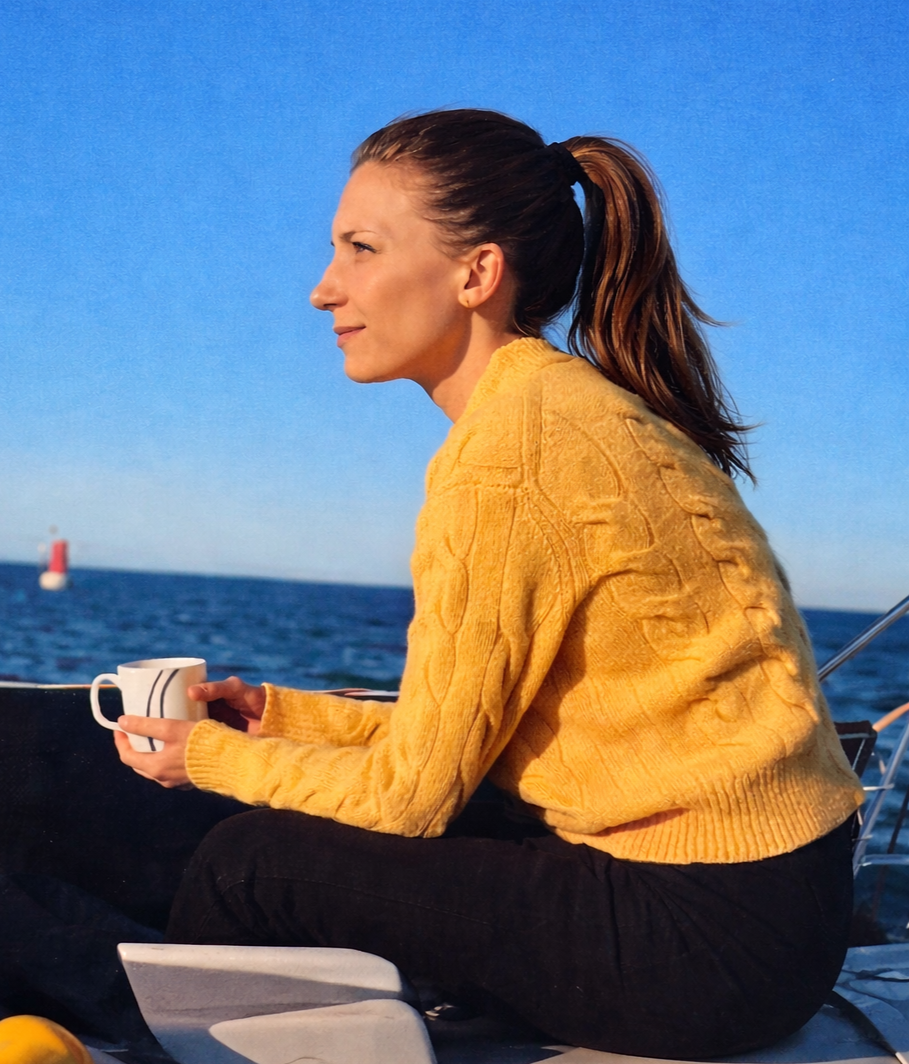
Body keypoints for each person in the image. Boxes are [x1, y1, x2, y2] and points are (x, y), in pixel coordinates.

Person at [114, 109, 863, 1057]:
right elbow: (474, 745)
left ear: (476, 273)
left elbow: (411, 799)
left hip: (704, 941)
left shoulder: (509, 456)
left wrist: (206, 761)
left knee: (248, 864)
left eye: (360, 248)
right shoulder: (570, 409)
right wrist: (286, 718)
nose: (322, 289)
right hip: (776, 907)